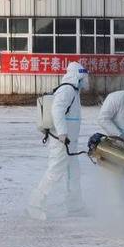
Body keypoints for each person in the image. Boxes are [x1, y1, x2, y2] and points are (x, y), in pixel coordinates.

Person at [29, 61, 88, 220]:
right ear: (77, 76)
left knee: (73, 174)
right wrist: (62, 133)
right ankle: (34, 205)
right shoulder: (67, 89)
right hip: (62, 141)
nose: (85, 80)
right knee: (54, 173)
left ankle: (75, 207)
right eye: (83, 76)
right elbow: (57, 110)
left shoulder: (74, 91)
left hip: (70, 143)